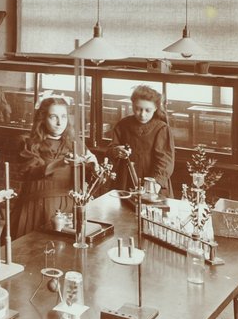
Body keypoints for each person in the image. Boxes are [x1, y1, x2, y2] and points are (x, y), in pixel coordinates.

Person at [10, 96, 98, 241]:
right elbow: (30, 172)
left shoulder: (75, 142)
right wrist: (60, 163)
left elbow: (89, 177)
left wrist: (94, 165)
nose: (59, 122)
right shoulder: (28, 142)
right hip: (38, 206)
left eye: (63, 117)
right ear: (42, 118)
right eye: (53, 117)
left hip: (70, 204)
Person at [109, 84, 175, 196]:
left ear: (155, 108)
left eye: (147, 110)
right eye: (137, 109)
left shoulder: (161, 129)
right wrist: (116, 150)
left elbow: (165, 162)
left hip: (154, 185)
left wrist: (153, 186)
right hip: (125, 182)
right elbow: (111, 149)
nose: (142, 114)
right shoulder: (123, 125)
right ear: (132, 105)